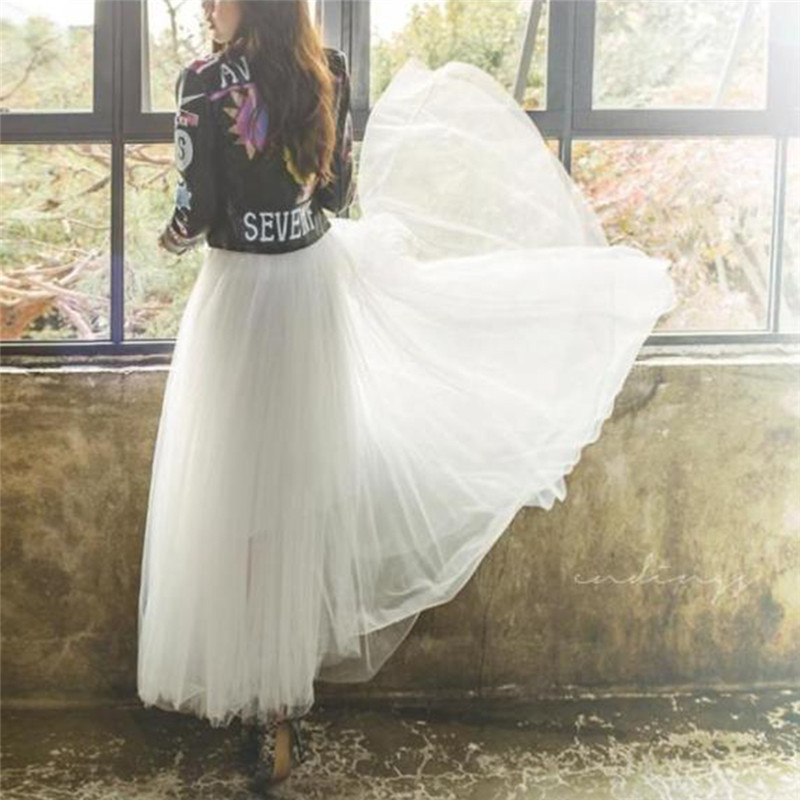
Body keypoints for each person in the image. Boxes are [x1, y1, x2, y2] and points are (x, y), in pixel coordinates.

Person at [137, 0, 677, 791]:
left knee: (236, 498)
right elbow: (335, 198)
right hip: (310, 294)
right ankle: (283, 708)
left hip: (242, 301)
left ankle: (257, 700)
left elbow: (195, 214)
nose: (208, 9)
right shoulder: (328, 73)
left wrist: (168, 238)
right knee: (300, 494)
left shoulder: (204, 81)